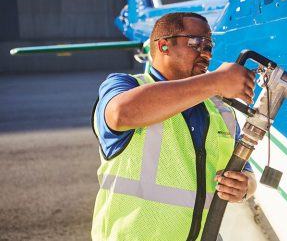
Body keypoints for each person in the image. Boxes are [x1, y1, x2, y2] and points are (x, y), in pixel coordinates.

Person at [91, 12, 257, 240]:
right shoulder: (125, 85)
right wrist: (216, 81)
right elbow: (121, 113)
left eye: (210, 45)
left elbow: (244, 170)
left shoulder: (219, 108)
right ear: (164, 46)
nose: (207, 53)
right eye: (196, 43)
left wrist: (246, 186)